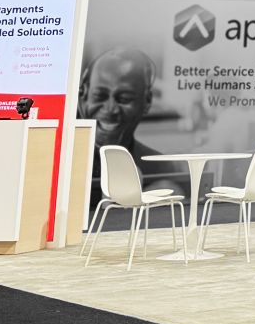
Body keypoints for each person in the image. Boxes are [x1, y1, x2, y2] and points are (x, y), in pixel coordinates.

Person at [79, 47, 188, 206]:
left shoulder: (162, 170)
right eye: (99, 96)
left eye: (124, 98)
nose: (110, 109)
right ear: (83, 96)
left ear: (147, 102)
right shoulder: (60, 164)